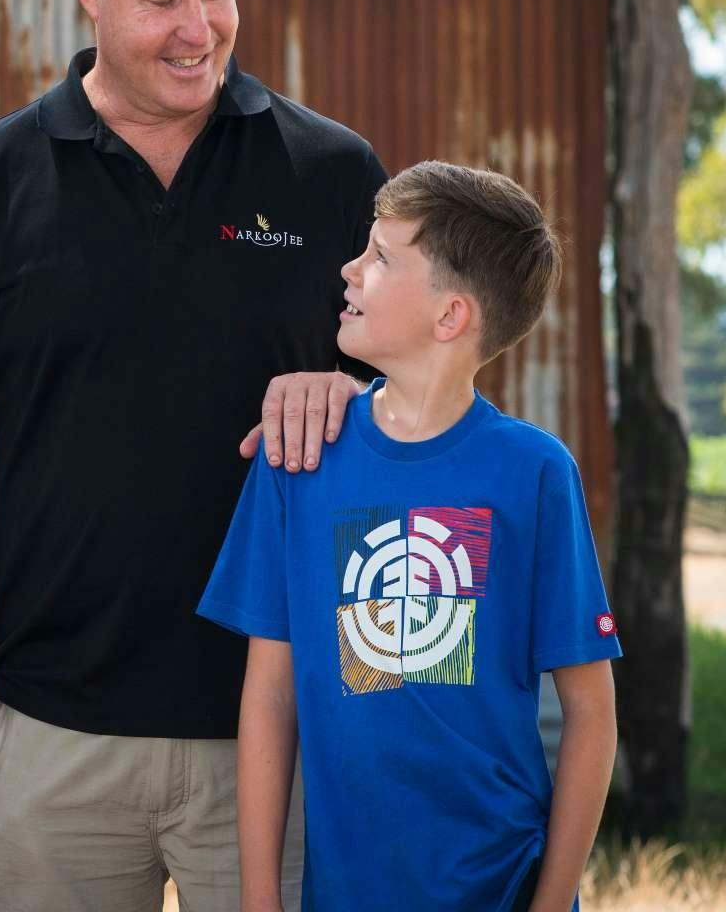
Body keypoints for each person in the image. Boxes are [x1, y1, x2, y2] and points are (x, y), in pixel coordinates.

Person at [0, 0, 386, 911]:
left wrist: (356, 398)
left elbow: (421, 436)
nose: (197, 28)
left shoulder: (333, 178)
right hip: (51, 747)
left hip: (279, 746)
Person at [199, 161, 620, 912]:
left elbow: (591, 713)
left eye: (381, 258)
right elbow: (269, 695)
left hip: (502, 888)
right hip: (343, 893)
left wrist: (551, 905)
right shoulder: (297, 457)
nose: (350, 269)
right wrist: (260, 901)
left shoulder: (534, 473)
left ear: (450, 316)